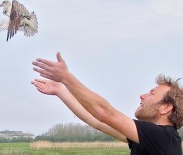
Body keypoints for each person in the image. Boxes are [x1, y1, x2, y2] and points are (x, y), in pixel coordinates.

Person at [32, 52, 183, 155]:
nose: (142, 96)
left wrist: (66, 78)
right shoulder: (151, 139)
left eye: (152, 93)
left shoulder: (163, 137)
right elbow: (95, 120)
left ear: (166, 107)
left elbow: (104, 113)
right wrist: (60, 90)